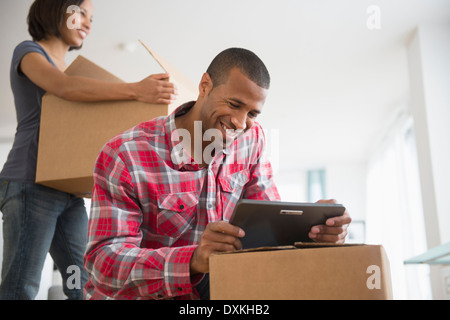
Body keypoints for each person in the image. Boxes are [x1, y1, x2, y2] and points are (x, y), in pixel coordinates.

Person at [84, 47, 352, 300]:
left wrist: (312, 232)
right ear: (204, 86)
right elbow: (103, 264)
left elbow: (267, 218)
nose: (240, 123)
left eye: (252, 113)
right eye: (234, 104)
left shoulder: (252, 139)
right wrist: (193, 259)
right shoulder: (125, 155)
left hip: (215, 288)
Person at [0, 0, 177, 300]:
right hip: (30, 184)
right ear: (56, 9)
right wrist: (136, 89)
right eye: (81, 12)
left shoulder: (72, 71)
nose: (88, 24)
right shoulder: (29, 52)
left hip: (66, 190)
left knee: (83, 282)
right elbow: (64, 88)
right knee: (22, 286)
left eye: (91, 18)